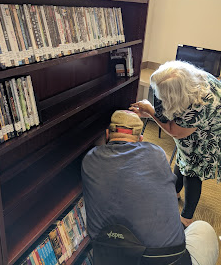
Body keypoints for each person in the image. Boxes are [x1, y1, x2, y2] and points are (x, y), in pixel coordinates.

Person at [81, 110, 219, 265]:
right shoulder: (157, 153)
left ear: (107, 135)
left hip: (112, 257)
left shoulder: (89, 159)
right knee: (203, 228)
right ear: (140, 139)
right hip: (168, 259)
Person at [130, 60, 221, 228]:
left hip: (207, 134)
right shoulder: (194, 77)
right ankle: (174, 192)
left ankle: (186, 218)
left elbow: (175, 131)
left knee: (193, 171)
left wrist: (151, 112)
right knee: (182, 158)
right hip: (196, 126)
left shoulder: (199, 105)